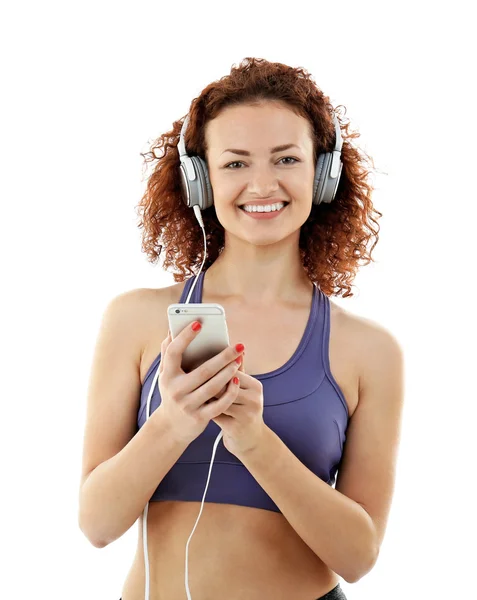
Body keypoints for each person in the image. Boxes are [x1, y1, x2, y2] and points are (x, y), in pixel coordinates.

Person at [78, 57, 405, 600]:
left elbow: (357, 556)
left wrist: (254, 441)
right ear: (200, 178)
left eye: (285, 158)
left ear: (321, 175)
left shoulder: (370, 351)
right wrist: (173, 423)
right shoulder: (135, 320)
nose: (261, 183)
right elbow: (97, 524)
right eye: (234, 163)